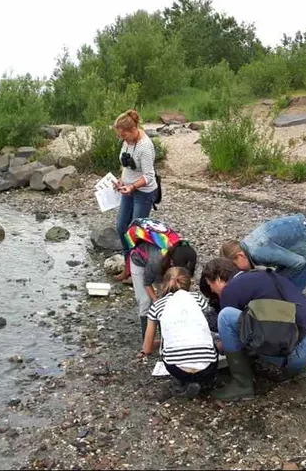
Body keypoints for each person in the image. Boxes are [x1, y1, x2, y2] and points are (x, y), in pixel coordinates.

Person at [201, 258, 306, 401]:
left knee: (225, 317)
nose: (212, 290)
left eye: (210, 284)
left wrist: (218, 346)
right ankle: (289, 367)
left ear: (218, 278)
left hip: (301, 351)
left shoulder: (229, 290)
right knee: (252, 324)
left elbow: (232, 334)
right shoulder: (262, 274)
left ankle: (242, 385)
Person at [137, 267, 218, 399]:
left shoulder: (157, 306)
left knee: (168, 350)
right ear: (189, 283)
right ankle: (204, 381)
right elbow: (208, 326)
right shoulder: (197, 299)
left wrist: (161, 343)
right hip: (208, 367)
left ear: (164, 284)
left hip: (178, 369)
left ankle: (183, 382)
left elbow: (147, 348)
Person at [219, 213, 306, 292]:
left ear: (240, 255)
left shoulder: (257, 251)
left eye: (236, 268)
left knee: (289, 289)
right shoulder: (248, 244)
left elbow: (299, 263)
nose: (238, 272)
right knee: (278, 282)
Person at [125, 218, 197, 338]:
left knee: (168, 296)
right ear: (173, 263)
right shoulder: (156, 260)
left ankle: (166, 332)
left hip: (162, 266)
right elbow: (147, 283)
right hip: (139, 261)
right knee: (145, 302)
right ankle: (147, 340)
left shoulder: (182, 251)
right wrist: (156, 301)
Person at [112, 109, 158, 283]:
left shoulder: (145, 146)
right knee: (121, 226)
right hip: (128, 189)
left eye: (124, 135)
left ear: (133, 130)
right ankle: (128, 267)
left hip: (144, 192)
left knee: (136, 232)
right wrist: (120, 181)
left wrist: (132, 186)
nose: (122, 139)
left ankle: (138, 271)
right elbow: (127, 166)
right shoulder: (127, 142)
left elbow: (149, 176)